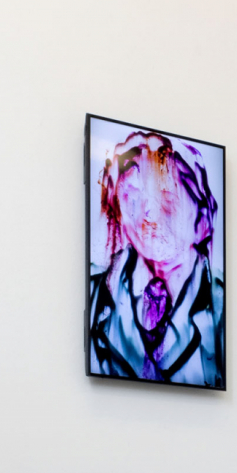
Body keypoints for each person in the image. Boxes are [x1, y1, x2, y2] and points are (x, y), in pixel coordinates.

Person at [88, 129, 224, 388]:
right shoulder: (95, 294)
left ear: (202, 220)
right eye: (132, 198)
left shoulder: (221, 309)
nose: (148, 216)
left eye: (168, 199)